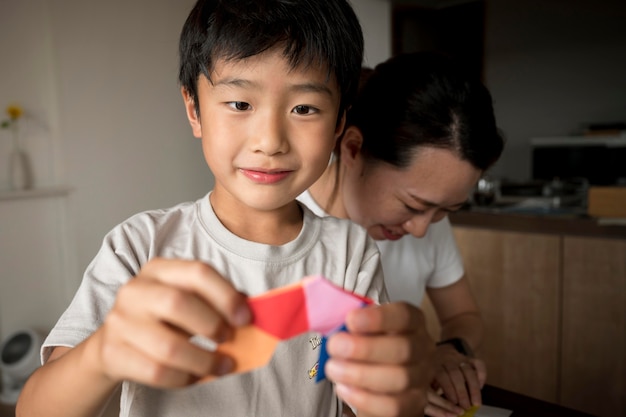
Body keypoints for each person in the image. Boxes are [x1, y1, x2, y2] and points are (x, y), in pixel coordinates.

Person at [16, 2, 437, 416]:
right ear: (193, 109)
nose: (270, 141)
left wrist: (401, 394)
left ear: (340, 124)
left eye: (304, 108)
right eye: (240, 104)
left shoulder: (349, 256)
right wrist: (101, 354)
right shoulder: (140, 247)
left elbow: (364, 401)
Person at [299, 51, 505, 417]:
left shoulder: (426, 218)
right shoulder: (283, 230)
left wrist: (449, 350)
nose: (422, 228)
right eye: (412, 206)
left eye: (446, 209)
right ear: (352, 149)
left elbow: (464, 317)